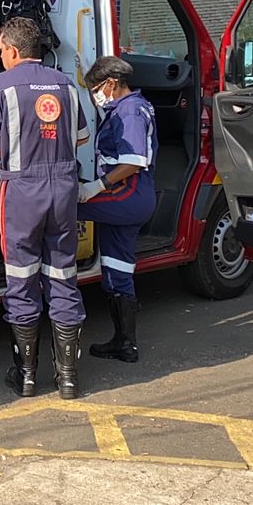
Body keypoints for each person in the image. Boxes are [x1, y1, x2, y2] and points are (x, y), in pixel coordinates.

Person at [0, 18, 90, 399]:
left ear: (10, 49)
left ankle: (25, 376)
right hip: (64, 189)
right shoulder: (65, 84)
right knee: (63, 275)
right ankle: (68, 379)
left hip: (23, 190)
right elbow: (81, 137)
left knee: (21, 277)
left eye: (2, 51)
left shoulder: (0, 86)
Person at [76, 55, 157, 362]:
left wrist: (96, 187)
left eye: (95, 88)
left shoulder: (131, 111)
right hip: (129, 198)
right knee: (117, 268)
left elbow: (132, 162)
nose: (95, 95)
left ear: (111, 84)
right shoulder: (127, 108)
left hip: (127, 196)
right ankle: (125, 344)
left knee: (61, 203)